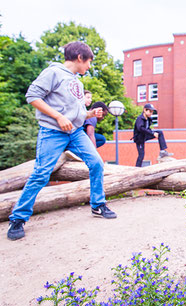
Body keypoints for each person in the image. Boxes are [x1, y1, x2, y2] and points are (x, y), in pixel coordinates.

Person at [7, 41, 117, 241]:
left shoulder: (77, 81)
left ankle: (97, 205)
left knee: (96, 163)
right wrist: (58, 117)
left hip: (75, 132)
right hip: (52, 132)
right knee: (41, 174)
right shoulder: (53, 73)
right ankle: (18, 218)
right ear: (80, 57)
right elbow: (32, 96)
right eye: (89, 62)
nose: (89, 67)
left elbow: (75, 113)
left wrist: (89, 113)